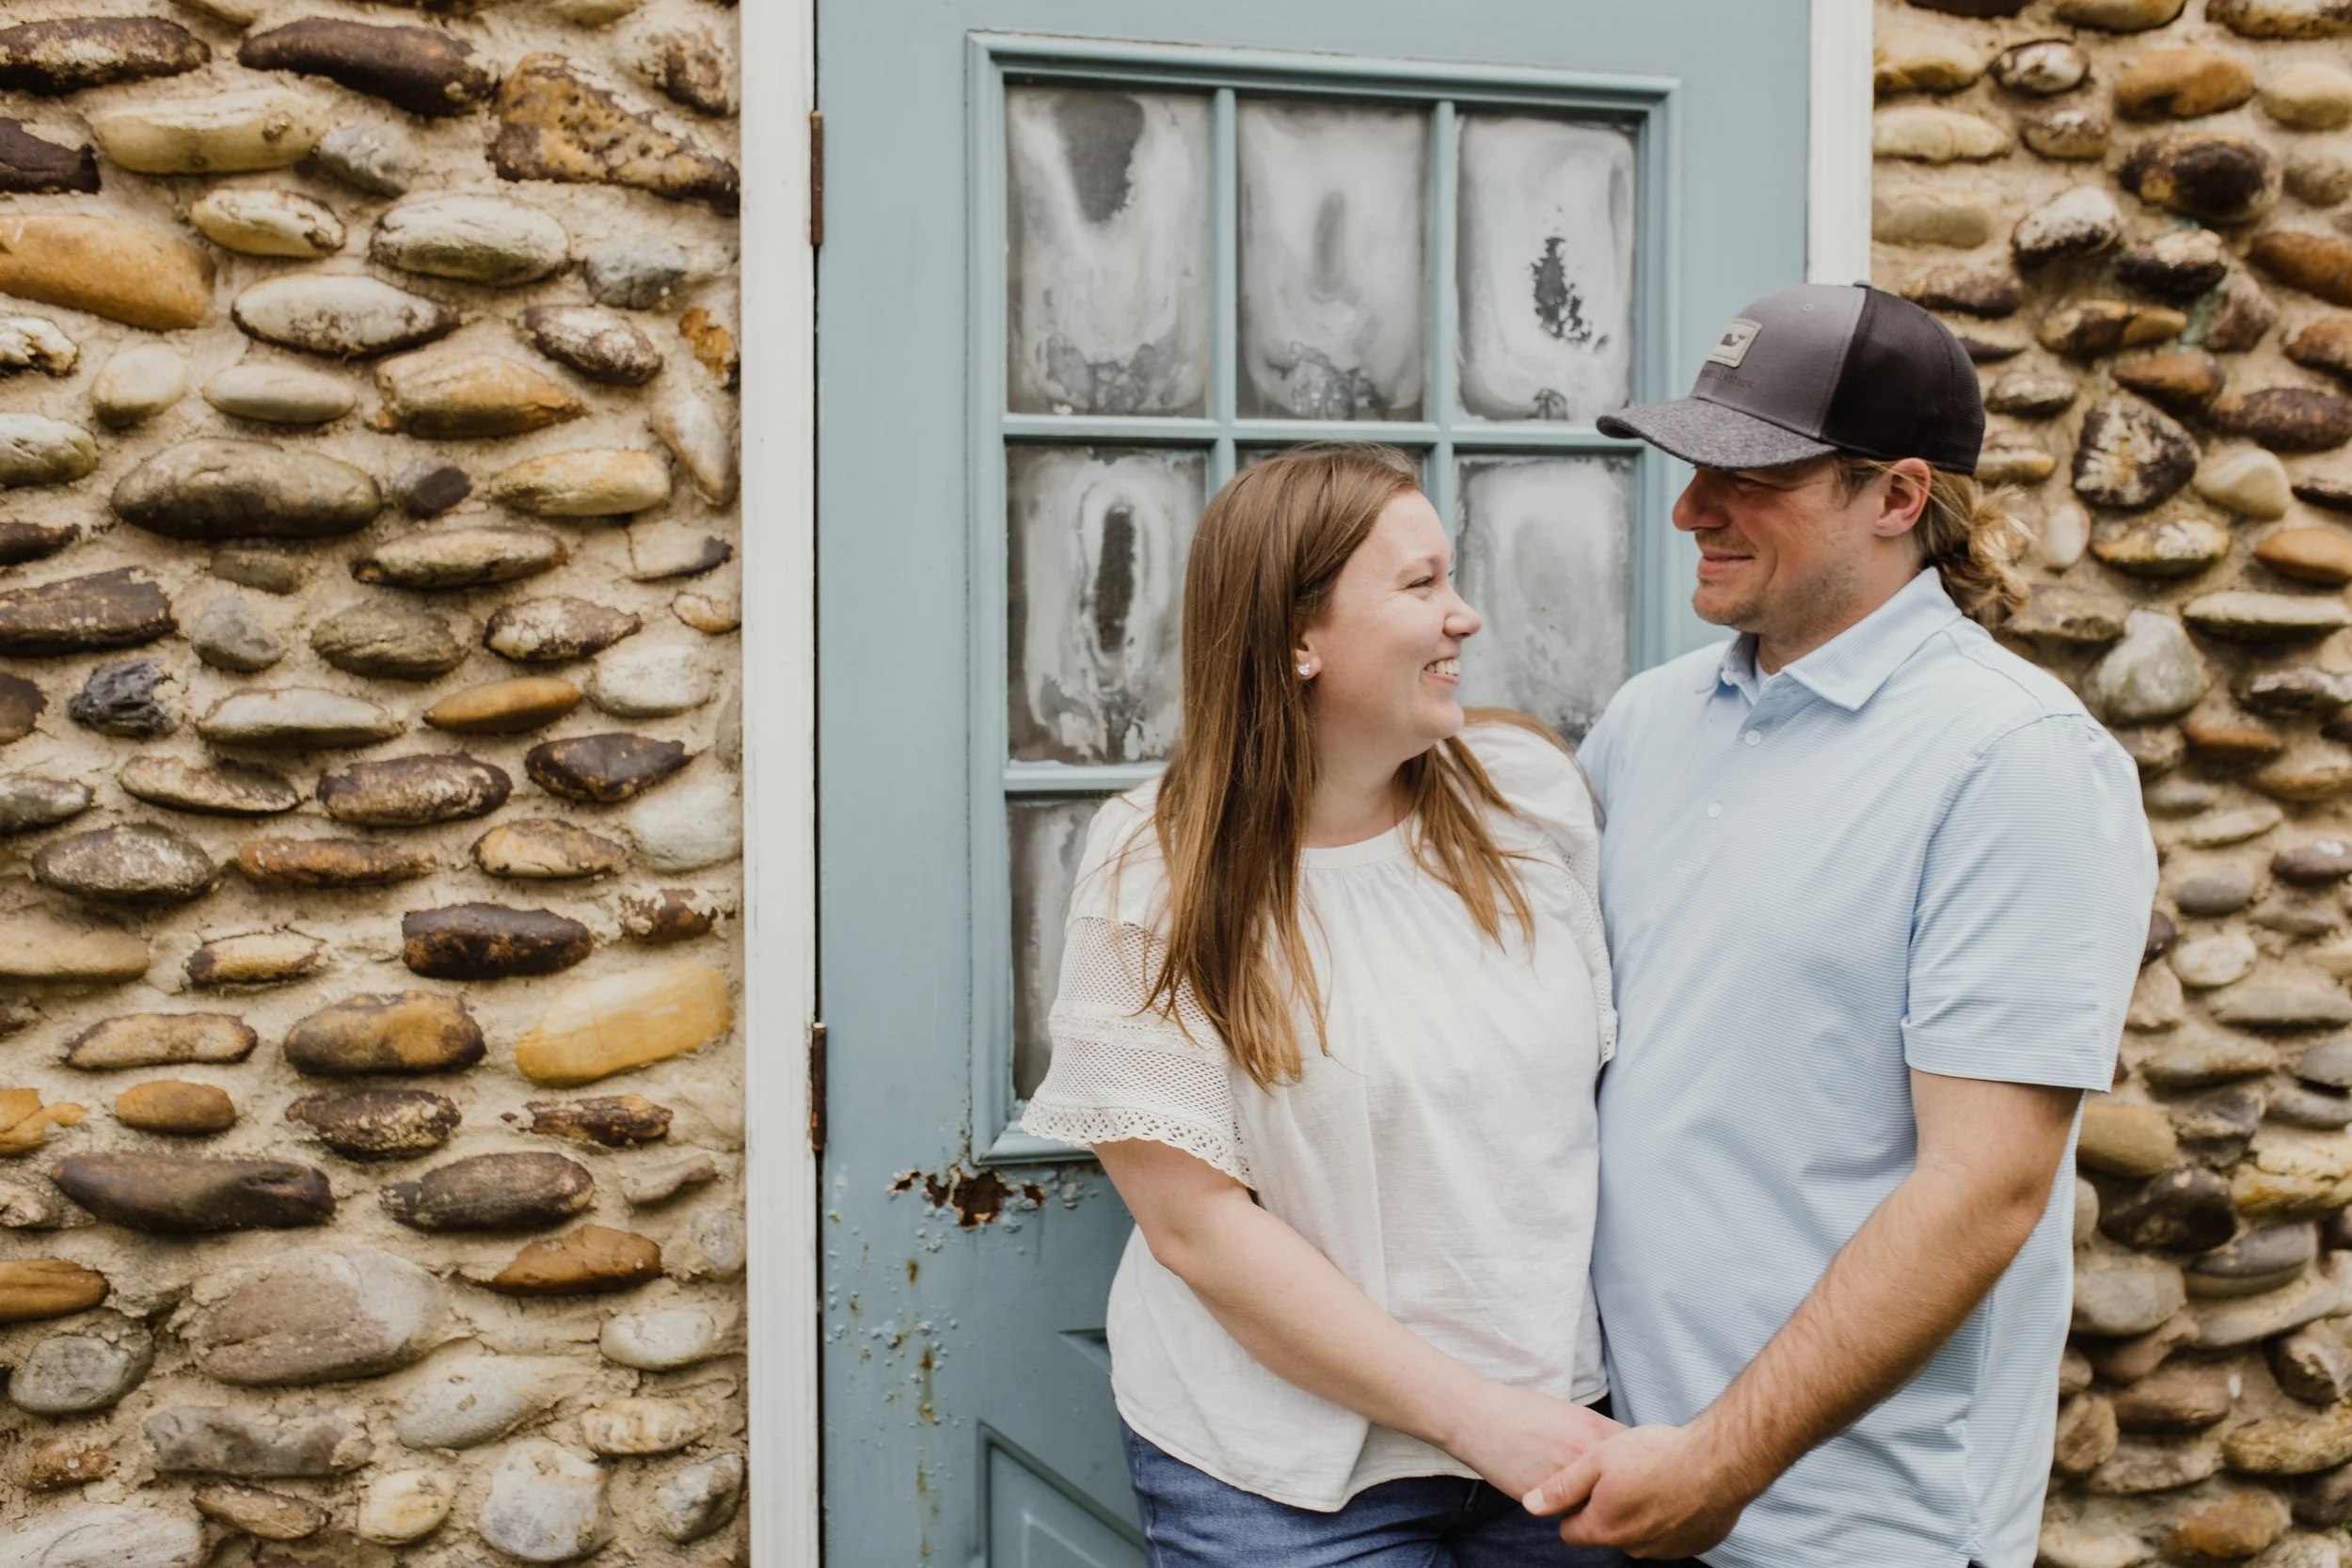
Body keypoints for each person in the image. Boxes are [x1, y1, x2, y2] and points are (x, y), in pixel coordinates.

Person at [1519, 282, 2157, 1568]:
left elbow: (1985, 1187)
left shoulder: (2014, 759)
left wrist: (1722, 1460)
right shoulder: (1649, 722)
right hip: (1614, 1481)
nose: (1694, 507)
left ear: (1898, 496)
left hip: (1852, 1523)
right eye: (1696, 466)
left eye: (1751, 474)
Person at [1020, 444, 1624, 1566]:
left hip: (1563, 1434)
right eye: (1420, 585)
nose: (1466, 616)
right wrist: (1472, 1413)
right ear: (1298, 637)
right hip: (1285, 1477)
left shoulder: (1530, 809)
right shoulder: (1153, 865)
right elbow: (1196, 1225)